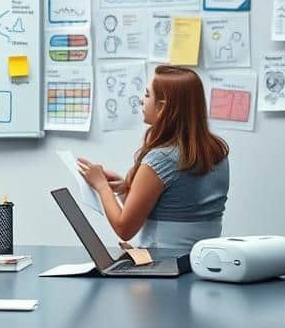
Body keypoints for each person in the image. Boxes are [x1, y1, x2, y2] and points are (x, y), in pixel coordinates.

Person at [77, 65, 229, 252]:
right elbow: (176, 206)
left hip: (163, 267)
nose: (142, 101)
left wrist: (101, 186)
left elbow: (124, 229)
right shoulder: (216, 152)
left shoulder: (161, 159)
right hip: (199, 263)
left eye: (148, 95)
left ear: (163, 107)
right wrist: (126, 190)